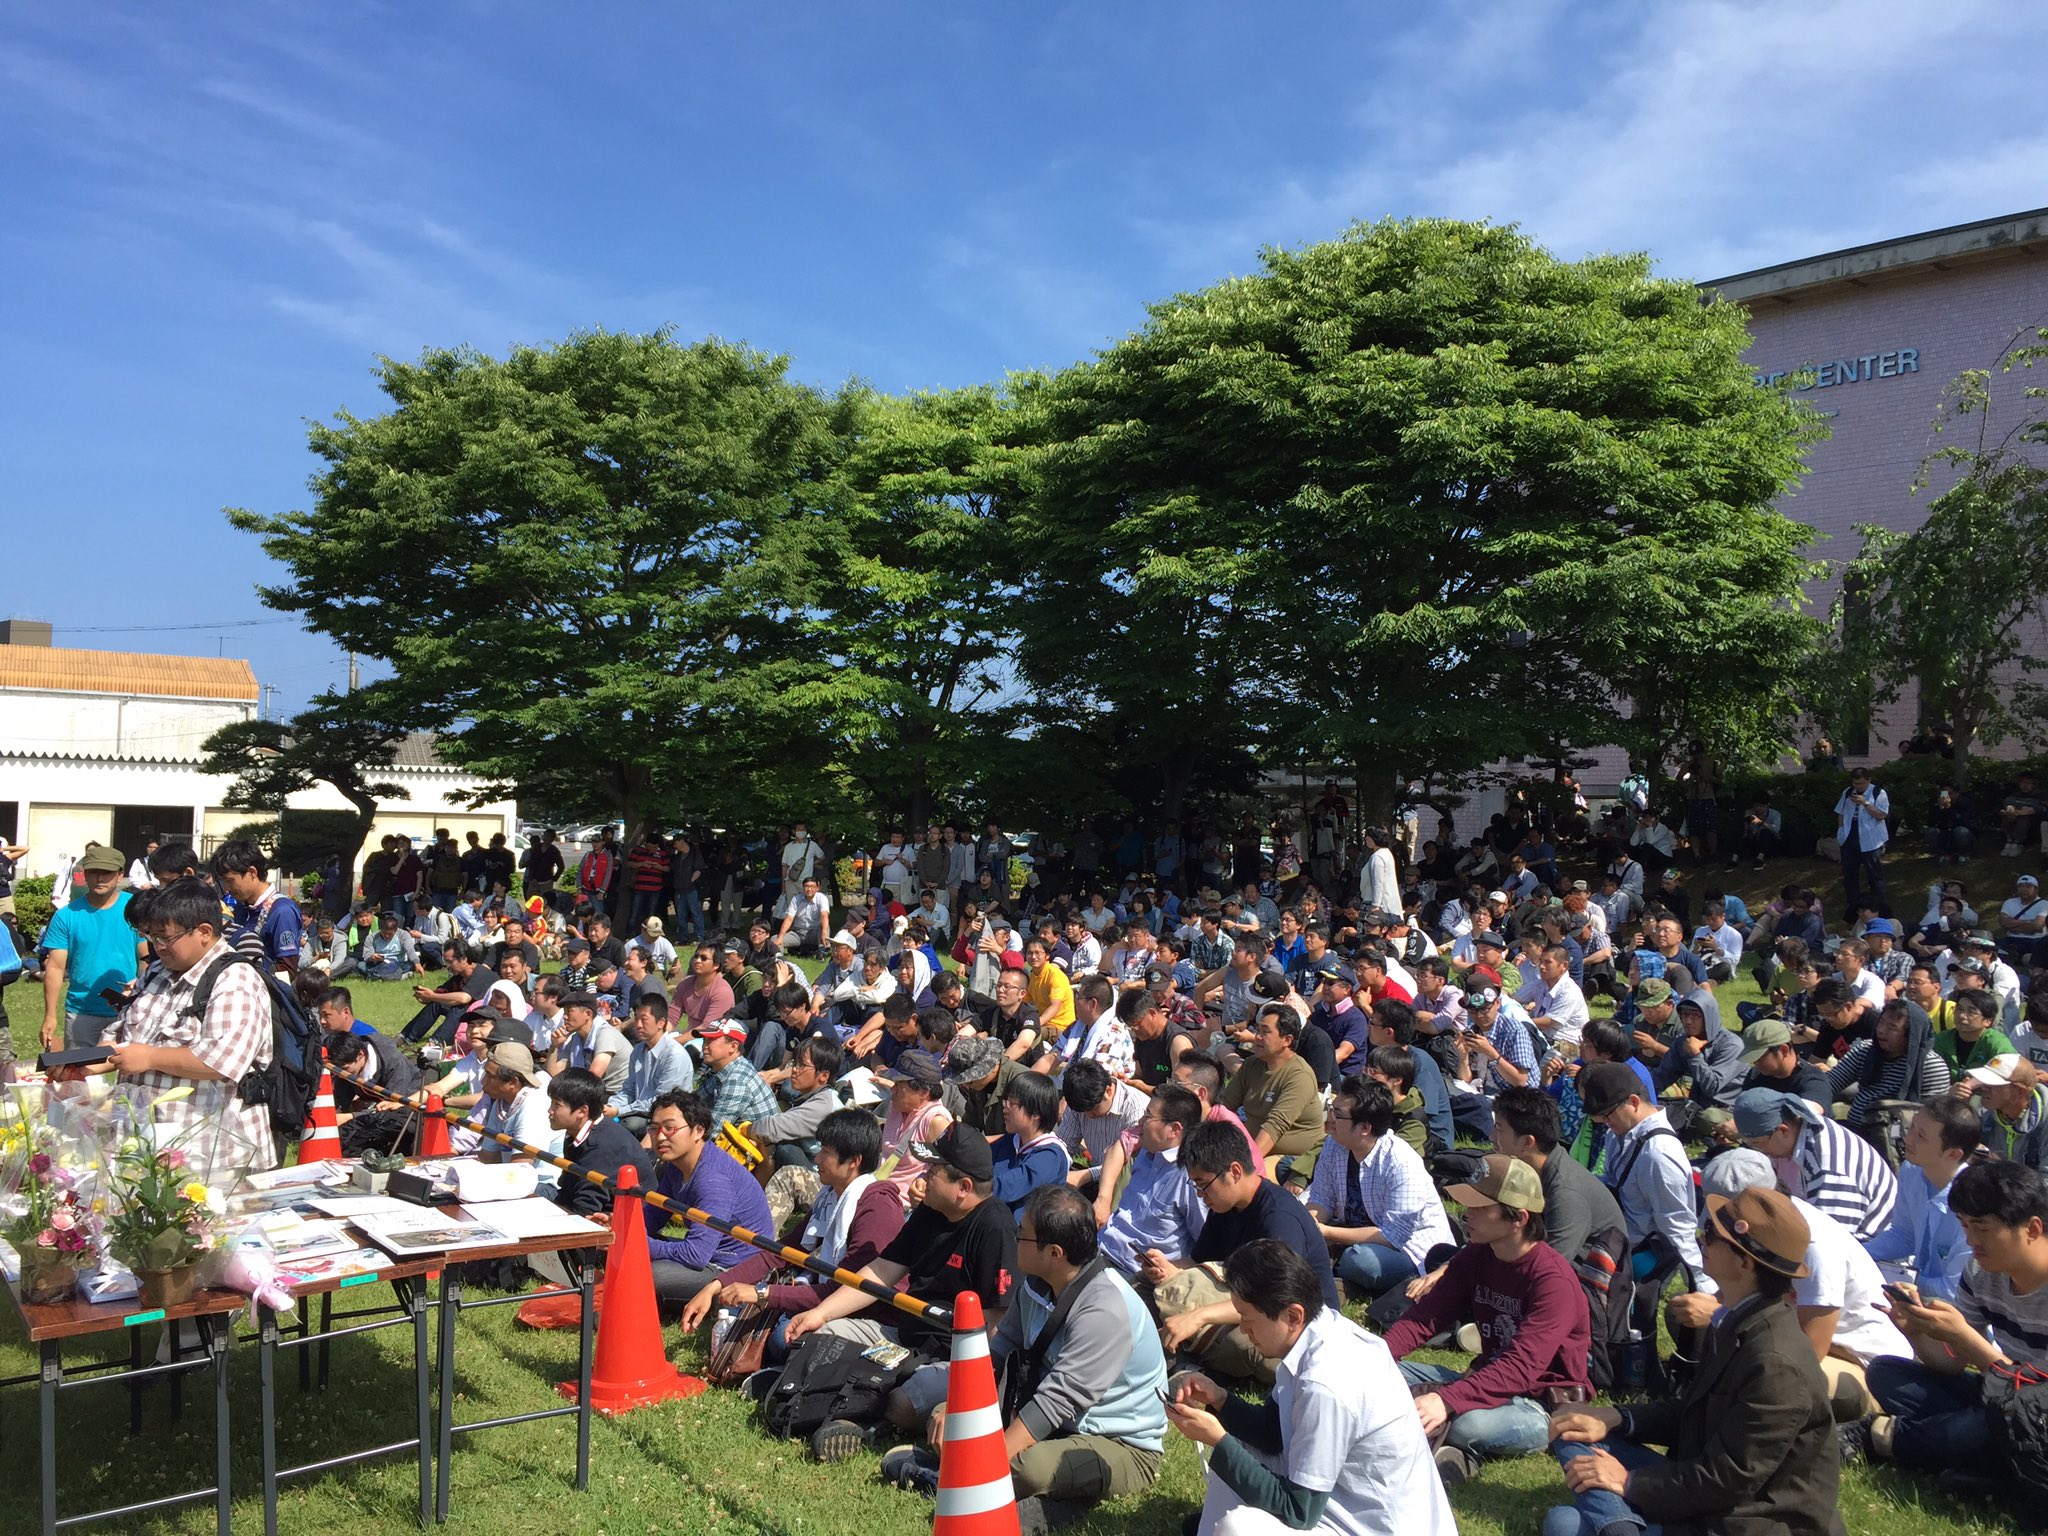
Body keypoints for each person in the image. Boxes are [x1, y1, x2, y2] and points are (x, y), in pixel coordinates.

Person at [1543, 1185, 1842, 1536]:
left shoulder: (1775, 1362)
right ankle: (1620, 1526)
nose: (1702, 1238)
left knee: (1562, 1524)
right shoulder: (1743, 1319)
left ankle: (1618, 1524)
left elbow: (1729, 1478)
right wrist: (1616, 1418)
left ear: (1745, 1261)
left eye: (1713, 1234)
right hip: (1708, 1491)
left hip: (1749, 1520)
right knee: (1574, 1429)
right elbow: (1694, 1412)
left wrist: (1630, 1482)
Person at [878, 1183, 1169, 1521]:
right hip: (1051, 1419)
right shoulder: (1034, 1282)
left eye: (1023, 1234)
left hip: (1117, 1443)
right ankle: (990, 1481)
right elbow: (1001, 1348)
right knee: (946, 1412)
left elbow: (1057, 1401)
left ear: (1054, 1253)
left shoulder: (1104, 1309)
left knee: (1029, 1467)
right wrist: (959, 1411)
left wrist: (987, 1458)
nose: (1015, 1238)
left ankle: (955, 1478)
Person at [1168, 1240, 1453, 1536]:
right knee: (1236, 1446)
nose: (1243, 1329)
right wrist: (1221, 1399)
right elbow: (1273, 1433)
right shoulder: (1322, 1331)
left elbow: (1299, 1511)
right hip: (1345, 1503)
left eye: (1249, 1319)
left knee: (1237, 1528)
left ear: (1293, 1316)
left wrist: (1219, 1441)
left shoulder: (1326, 1383)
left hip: (1375, 1526)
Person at [783, 1123, 1016, 1463]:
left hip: (954, 1356)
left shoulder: (995, 1227)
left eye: (934, 1170)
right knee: (818, 1334)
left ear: (964, 1187)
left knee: (903, 1402)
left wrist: (971, 1386)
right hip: (902, 1336)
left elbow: (997, 1322)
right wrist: (821, 1313)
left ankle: (859, 1425)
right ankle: (823, 1402)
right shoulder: (930, 1211)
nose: (924, 1175)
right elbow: (881, 1271)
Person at [1385, 1152, 1591, 1485]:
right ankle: (1449, 1449)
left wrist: (1447, 1398)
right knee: (1381, 1372)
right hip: (1486, 1378)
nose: (1467, 1215)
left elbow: (1522, 1367)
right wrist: (1376, 1356)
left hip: (1539, 1403)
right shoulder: (1476, 1255)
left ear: (1519, 1218)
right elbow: (1427, 1317)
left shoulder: (1553, 1281)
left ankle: (1459, 1453)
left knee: (1470, 1424)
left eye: (1481, 1207)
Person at [1670, 1148, 1911, 1423]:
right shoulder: (1773, 1229)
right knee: (1685, 1317)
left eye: (1717, 1232)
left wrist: (1720, 1317)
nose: (1708, 1239)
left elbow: (1808, 1351)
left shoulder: (1816, 1248)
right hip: (1792, 1341)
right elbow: (1734, 1299)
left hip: (1863, 1363)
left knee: (1771, 1378)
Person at [1853, 1159, 2048, 1488]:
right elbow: (1953, 1364)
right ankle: (1992, 1464)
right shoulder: (1979, 1272)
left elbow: (2034, 1395)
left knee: (1974, 1429)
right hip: (2002, 1399)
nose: (1971, 1240)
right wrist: (1917, 1332)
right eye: (1964, 1225)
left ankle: (1884, 1437)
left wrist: (1965, 1337)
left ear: (2032, 1229)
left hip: (2037, 1413)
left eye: (1982, 1228)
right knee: (1886, 1373)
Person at [678, 1108, 904, 1366]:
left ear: (853, 1161)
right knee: (739, 1309)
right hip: (824, 1296)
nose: (817, 1158)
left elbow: (844, 1290)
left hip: (869, 1316)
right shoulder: (830, 1197)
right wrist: (716, 1284)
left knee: (780, 1338)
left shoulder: (877, 1207)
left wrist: (763, 1293)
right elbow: (783, 1252)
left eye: (826, 1152)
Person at [98, 876, 279, 1169]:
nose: (157, 947)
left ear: (204, 932)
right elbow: (120, 1032)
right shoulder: (158, 971)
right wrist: (88, 1062)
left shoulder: (236, 980)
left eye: (165, 938)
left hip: (211, 1158)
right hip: (146, 1144)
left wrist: (149, 1057)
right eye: (151, 937)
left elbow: (222, 1061)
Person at [1155, 1120, 1340, 1385]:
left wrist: (1199, 1316)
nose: (1200, 1195)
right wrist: (1166, 1267)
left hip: (1293, 1322)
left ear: (1235, 1171)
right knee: (1148, 1285)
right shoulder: (1225, 1205)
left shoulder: (1279, 1218)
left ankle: (1187, 1362)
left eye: (1203, 1184)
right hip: (1244, 1300)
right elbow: (1198, 1260)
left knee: (1237, 1342)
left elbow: (1273, 1301)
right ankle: (1185, 1357)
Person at [1306, 1077, 1454, 1301]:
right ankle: (1336, 1271)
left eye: (1338, 1114)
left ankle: (1338, 1270)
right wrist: (1311, 1221)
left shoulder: (1400, 1161)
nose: (1331, 1119)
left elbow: (1392, 1236)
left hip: (1407, 1250)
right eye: (1331, 1109)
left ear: (1365, 1128)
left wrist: (1326, 1233)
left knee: (1363, 1262)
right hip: (1350, 1233)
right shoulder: (1334, 1144)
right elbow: (1321, 1197)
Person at [642, 1089, 776, 1303]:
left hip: (732, 1270)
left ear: (698, 1131)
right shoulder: (676, 1166)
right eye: (654, 1128)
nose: (659, 1137)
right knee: (618, 1246)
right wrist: (620, 1230)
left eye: (669, 1128)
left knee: (649, 1273)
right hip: (706, 1253)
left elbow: (696, 1255)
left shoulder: (713, 1180)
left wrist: (637, 1244)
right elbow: (653, 1215)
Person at [1732, 1087, 1898, 1242]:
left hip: (1869, 1248)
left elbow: (1830, 1242)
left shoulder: (1827, 1167)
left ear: (1783, 1130)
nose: (1760, 1151)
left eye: (1758, 1144)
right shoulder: (1801, 1124)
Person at [1490, 1086, 1625, 1270]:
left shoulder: (1566, 1193)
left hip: (1584, 1283)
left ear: (1527, 1142)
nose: (1492, 1137)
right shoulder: (1531, 1170)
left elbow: (1550, 1266)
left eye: (1499, 1129)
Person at [1862, 1094, 1979, 1303]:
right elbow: (1904, 1234)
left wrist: (1897, 1278)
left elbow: (1953, 1291)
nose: (1907, 1139)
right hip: (1915, 1297)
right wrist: (1858, 1254)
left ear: (1953, 1154)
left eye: (1921, 1136)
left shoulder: (1974, 1205)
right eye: (1912, 1128)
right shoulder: (1911, 1171)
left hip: (1954, 1317)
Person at [39, 843, 144, 1049]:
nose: (100, 878)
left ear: (120, 874)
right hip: (81, 1010)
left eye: (107, 873)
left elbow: (145, 958)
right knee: (80, 1077)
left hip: (128, 1009)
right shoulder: (66, 915)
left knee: (131, 1077)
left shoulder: (136, 908)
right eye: (94, 872)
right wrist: (50, 1015)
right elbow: (55, 967)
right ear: (84, 875)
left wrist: (140, 998)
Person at [1099, 1083, 1209, 1281]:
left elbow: (1205, 1242)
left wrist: (1171, 1269)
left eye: (1148, 1116)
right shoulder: (1148, 1151)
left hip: (1135, 1274)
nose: (1141, 1121)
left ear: (1174, 1130)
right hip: (1102, 1249)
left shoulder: (1190, 1177)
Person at [1219, 1004, 1324, 1178]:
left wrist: (1246, 1168)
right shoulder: (1252, 1064)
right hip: (1251, 1145)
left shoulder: (1299, 1076)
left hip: (1291, 1159)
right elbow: (1224, 1107)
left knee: (1244, 1182)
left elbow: (1275, 1127)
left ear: (1287, 1040)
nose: (1257, 1037)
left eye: (1265, 1032)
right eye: (1257, 1030)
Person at [746, 1034, 845, 1171]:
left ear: (823, 1076)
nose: (794, 1070)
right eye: (795, 1063)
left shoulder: (823, 1106)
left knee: (783, 1148)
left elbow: (771, 1128)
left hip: (821, 1180)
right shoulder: (817, 1097)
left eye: (802, 1065)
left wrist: (745, 1129)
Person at [211, 839, 304, 977]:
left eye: (230, 881)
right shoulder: (242, 907)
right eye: (223, 882)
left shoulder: (282, 911)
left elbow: (287, 970)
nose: (226, 889)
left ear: (252, 872)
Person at [991, 1069, 1073, 1217]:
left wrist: (969, 1186)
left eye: (1012, 1104)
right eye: (1005, 1101)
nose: (1005, 1109)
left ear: (1036, 1113)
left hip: (1023, 1236)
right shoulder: (1011, 1141)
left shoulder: (1050, 1156)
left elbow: (1006, 1188)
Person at [611, 995, 694, 1138]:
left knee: (629, 1124)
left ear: (661, 1023)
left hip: (667, 1115)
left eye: (643, 1020)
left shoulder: (675, 1055)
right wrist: (612, 1106)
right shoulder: (638, 1050)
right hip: (639, 1111)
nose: (638, 1025)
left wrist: (620, 1111)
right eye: (636, 1019)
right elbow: (629, 1088)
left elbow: (662, 1101)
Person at [1963, 1052, 2048, 1170]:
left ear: (2020, 1091)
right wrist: (1958, 1104)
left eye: (1993, 1083)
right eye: (1984, 1081)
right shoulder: (1986, 1113)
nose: (1984, 1088)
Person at [694, 1017, 780, 1133]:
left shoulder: (737, 1081)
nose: (704, 1046)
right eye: (704, 1040)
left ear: (733, 1046)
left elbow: (713, 1133)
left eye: (711, 1040)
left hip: (757, 1148)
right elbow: (694, 1102)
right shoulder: (724, 1070)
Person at [547, 990, 631, 1099]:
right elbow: (554, 1073)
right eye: (564, 1012)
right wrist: (555, 1046)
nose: (565, 1017)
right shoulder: (576, 1038)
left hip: (617, 1095)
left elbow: (593, 1077)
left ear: (588, 1014)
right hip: (596, 1091)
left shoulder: (605, 1034)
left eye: (569, 1011)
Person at [1835, 765, 1892, 919]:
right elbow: (1840, 812)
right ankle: (1853, 904)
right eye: (1855, 784)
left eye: (1861, 783)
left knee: (1874, 873)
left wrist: (1865, 803)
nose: (1858, 787)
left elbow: (1881, 815)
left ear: (1868, 780)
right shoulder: (1847, 792)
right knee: (1849, 873)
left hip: (1871, 839)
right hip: (1849, 836)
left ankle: (1878, 905)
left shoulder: (1878, 793)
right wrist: (1841, 831)